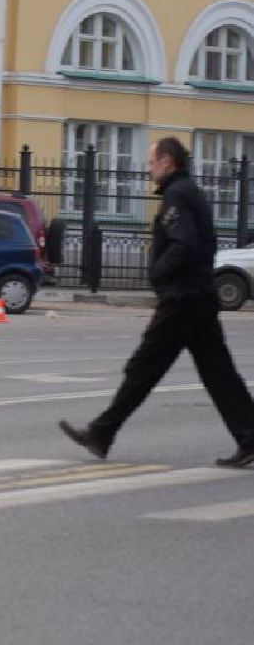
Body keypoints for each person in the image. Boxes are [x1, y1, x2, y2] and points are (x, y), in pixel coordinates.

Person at [60, 136, 254, 469]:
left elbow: (185, 244)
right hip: (199, 297)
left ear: (167, 161)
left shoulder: (178, 195)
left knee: (143, 368)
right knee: (219, 373)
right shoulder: (189, 191)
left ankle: (102, 432)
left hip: (182, 300)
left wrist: (159, 276)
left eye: (151, 162)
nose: (149, 168)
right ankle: (250, 439)